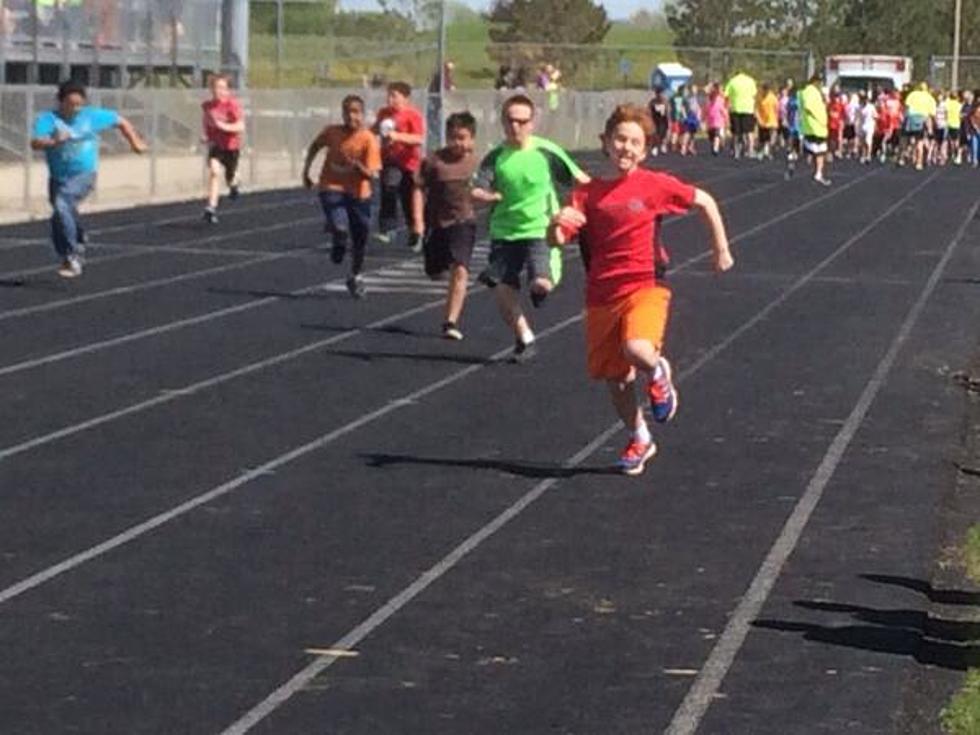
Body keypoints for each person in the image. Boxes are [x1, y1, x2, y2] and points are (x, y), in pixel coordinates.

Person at [548, 103, 733, 476]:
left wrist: (721, 248)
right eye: (620, 139)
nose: (626, 148)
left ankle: (659, 372)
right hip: (601, 293)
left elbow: (706, 202)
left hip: (645, 285)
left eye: (635, 142)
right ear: (606, 142)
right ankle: (639, 436)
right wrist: (555, 225)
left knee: (637, 349)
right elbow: (558, 239)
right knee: (616, 379)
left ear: (644, 150)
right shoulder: (587, 195)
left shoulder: (655, 185)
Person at [472, 94, 590, 363]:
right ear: (503, 121)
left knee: (540, 283)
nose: (516, 127)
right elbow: (478, 188)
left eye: (522, 121)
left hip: (541, 229)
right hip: (505, 231)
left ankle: (544, 283)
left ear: (532, 123)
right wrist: (485, 196)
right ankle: (525, 338)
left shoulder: (546, 152)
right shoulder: (496, 157)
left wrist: (583, 209)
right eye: (511, 121)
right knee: (502, 288)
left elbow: (582, 180)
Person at [30, 79, 147, 278]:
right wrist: (54, 141)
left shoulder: (91, 116)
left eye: (79, 104)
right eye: (70, 104)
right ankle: (78, 238)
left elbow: (121, 121)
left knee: (62, 205)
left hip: (84, 174)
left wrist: (135, 142)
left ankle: (72, 255)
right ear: (61, 102)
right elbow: (35, 142)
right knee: (60, 214)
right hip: (58, 177)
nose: (75, 109)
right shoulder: (48, 119)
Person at [302, 95, 382, 299]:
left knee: (360, 239)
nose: (350, 116)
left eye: (355, 112)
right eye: (347, 111)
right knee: (340, 225)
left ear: (362, 115)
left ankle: (355, 275)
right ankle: (338, 239)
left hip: (359, 193)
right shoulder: (332, 132)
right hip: (332, 186)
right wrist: (306, 170)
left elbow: (371, 174)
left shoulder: (368, 139)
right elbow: (315, 146)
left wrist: (356, 165)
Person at [417, 111, 479, 340]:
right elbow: (417, 188)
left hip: (464, 221)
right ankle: (435, 264)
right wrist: (417, 222)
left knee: (461, 269)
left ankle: (450, 322)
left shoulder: (476, 163)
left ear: (472, 139)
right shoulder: (434, 162)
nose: (457, 143)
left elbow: (490, 185)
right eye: (453, 137)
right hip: (436, 222)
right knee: (435, 272)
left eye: (462, 137)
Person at [373, 81, 425, 251]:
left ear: (405, 98)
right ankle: (388, 228)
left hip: (409, 164)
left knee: (408, 199)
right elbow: (374, 129)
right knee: (389, 188)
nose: (390, 99)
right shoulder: (383, 114)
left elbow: (419, 139)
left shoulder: (413, 115)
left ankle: (415, 231)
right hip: (390, 161)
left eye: (394, 96)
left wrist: (398, 136)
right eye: (388, 95)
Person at [201, 73, 245, 225]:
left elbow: (240, 126)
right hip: (216, 146)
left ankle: (234, 183)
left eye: (221, 88)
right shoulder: (207, 106)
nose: (217, 91)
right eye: (215, 87)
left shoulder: (232, 105)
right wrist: (206, 136)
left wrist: (223, 126)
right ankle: (211, 208)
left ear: (227, 90)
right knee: (214, 172)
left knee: (230, 178)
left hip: (231, 146)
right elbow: (207, 123)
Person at [799, 74, 831, 186]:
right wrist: (818, 118)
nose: (821, 84)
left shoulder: (816, 93)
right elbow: (809, 107)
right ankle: (817, 174)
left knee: (818, 152)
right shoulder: (810, 91)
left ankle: (818, 173)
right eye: (820, 81)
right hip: (815, 127)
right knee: (818, 152)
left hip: (817, 127)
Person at [724, 69, 758, 159]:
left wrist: (727, 107)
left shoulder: (732, 81)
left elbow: (726, 95)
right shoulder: (751, 81)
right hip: (748, 109)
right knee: (749, 132)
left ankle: (736, 151)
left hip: (735, 109)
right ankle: (750, 150)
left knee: (736, 132)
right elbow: (754, 95)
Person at [755, 83, 779, 160]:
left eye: (766, 90)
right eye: (764, 90)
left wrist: (777, 118)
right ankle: (762, 151)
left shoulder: (773, 98)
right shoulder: (759, 97)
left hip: (772, 121)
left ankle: (769, 152)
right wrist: (758, 119)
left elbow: (776, 109)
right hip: (762, 121)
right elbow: (756, 109)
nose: (765, 92)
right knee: (762, 138)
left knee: (771, 138)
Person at [705, 83, 728, 156]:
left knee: (717, 136)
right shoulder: (708, 102)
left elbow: (723, 110)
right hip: (711, 123)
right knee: (712, 137)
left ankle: (716, 149)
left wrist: (726, 118)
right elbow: (705, 111)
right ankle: (717, 145)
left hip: (719, 122)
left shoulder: (720, 100)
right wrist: (703, 120)